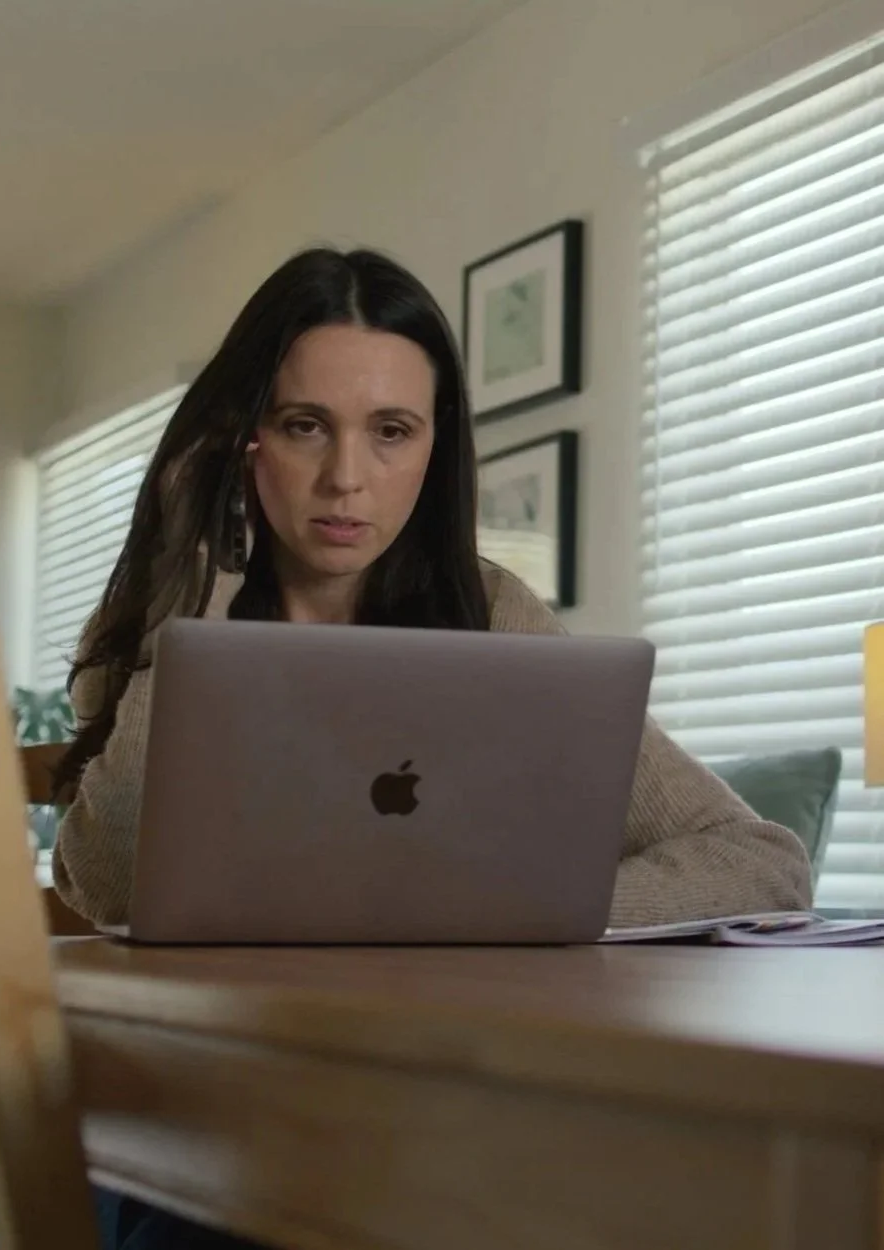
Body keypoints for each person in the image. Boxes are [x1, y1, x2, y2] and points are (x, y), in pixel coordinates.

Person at [51, 245, 811, 1248]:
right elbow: (101, 881)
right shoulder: (158, 621)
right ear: (241, 438)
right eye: (302, 425)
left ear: (433, 447)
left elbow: (760, 859)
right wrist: (194, 612)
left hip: (426, 1106)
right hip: (188, 1110)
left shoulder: (490, 615)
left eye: (391, 431)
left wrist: (506, 918)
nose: (345, 479)